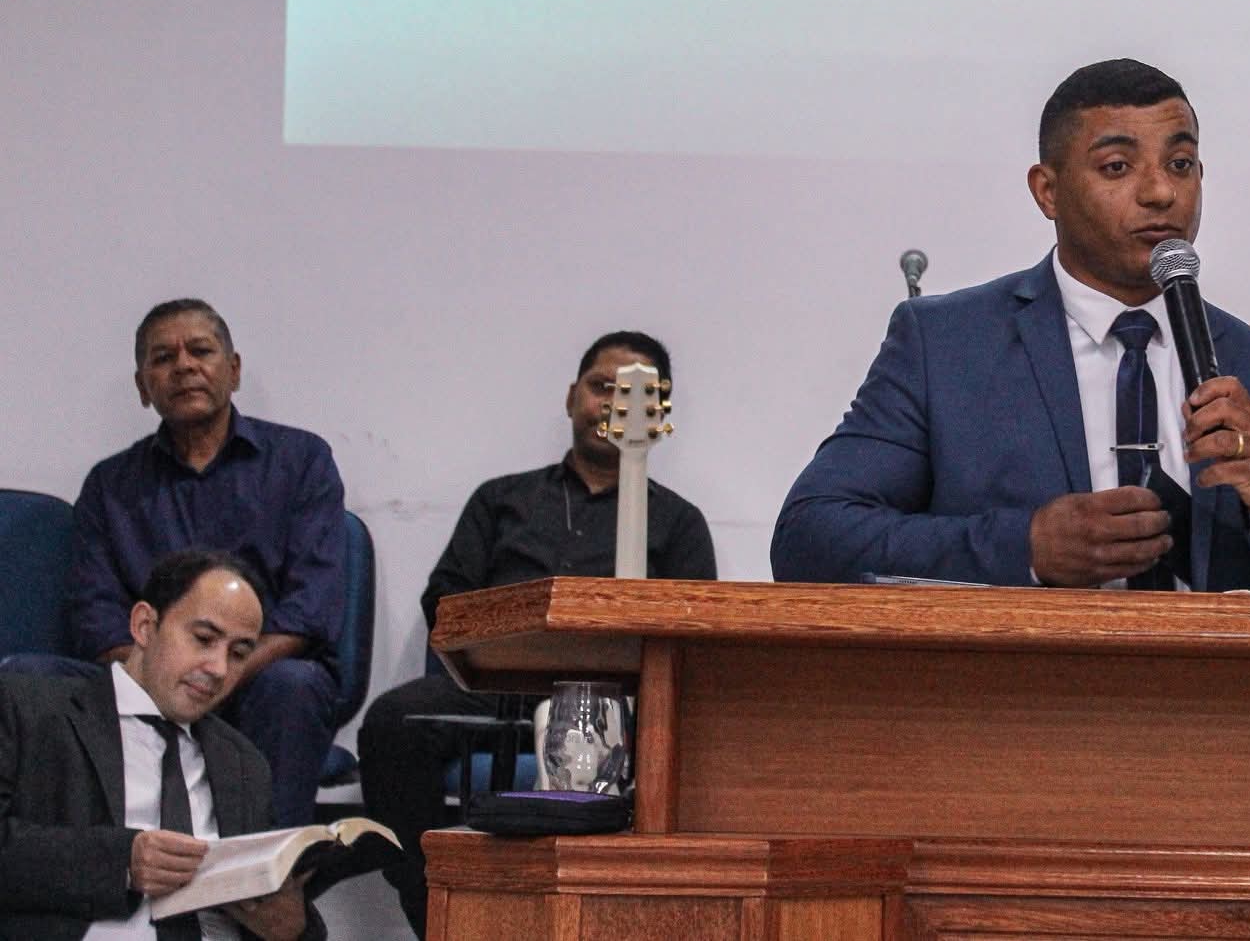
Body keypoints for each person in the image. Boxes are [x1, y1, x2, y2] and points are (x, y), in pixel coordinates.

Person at [771, 58, 1250, 595]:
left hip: (1225, 709)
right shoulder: (944, 347)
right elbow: (810, 536)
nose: (1160, 193)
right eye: (1118, 167)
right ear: (1048, 191)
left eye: (1180, 164)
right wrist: (1027, 547)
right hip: (1021, 704)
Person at [356, 331, 717, 938]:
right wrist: (523, 629)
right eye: (600, 386)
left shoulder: (679, 522)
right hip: (497, 687)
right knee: (395, 723)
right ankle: (434, 907)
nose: (610, 401)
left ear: (657, 411)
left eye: (629, 391)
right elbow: (445, 600)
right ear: (572, 395)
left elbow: (693, 633)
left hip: (622, 701)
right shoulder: (501, 501)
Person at [64, 300, 349, 828]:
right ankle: (95, 865)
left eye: (200, 350)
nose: (184, 366)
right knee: (35, 681)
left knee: (295, 686)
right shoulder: (110, 485)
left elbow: (310, 609)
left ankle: (267, 869)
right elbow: (95, 615)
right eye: (163, 358)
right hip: (146, 677)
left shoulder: (301, 461)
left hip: (260, 677)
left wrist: (219, 670)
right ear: (143, 387)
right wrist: (165, 676)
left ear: (233, 370)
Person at [0, 548, 325, 940]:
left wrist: (294, 927)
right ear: (144, 625)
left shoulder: (243, 762)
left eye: (239, 653)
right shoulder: (28, 710)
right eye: (203, 639)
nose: (219, 668)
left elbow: (278, 904)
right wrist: (122, 862)